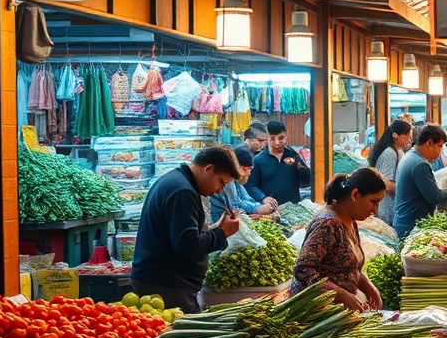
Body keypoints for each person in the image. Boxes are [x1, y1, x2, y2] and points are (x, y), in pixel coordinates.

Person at [130, 146, 242, 313]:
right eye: (221, 182)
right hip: (167, 286)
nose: (220, 190)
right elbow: (187, 245)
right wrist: (222, 233)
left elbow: (181, 236)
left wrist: (217, 229)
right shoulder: (183, 191)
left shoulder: (176, 180)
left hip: (164, 283)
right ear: (209, 169)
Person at [291, 168, 386, 312]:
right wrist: (342, 295)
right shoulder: (328, 224)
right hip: (313, 315)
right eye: (373, 201)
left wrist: (369, 288)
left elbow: (349, 267)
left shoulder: (349, 221)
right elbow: (303, 269)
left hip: (336, 313)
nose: (375, 210)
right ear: (354, 194)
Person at [393, 124, 447, 237]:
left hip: (404, 221)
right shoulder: (419, 164)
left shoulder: (410, 156)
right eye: (440, 146)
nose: (440, 151)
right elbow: (434, 197)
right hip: (411, 225)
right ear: (429, 143)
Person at [248, 120, 312, 205]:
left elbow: (307, 181)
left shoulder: (294, 155)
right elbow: (250, 185)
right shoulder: (258, 160)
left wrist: (303, 170)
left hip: (293, 209)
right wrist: (263, 198)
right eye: (273, 139)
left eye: (281, 138)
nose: (277, 142)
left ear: (286, 136)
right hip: (269, 211)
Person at [209, 147, 275, 223]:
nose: (249, 173)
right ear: (239, 167)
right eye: (249, 169)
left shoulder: (236, 182)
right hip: (220, 221)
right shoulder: (227, 180)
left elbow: (246, 199)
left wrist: (261, 206)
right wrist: (258, 209)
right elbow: (235, 206)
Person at [368, 120, 413, 225]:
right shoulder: (390, 153)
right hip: (387, 209)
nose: (410, 140)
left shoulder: (398, 151)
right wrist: (408, 190)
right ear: (396, 136)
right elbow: (386, 183)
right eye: (408, 137)